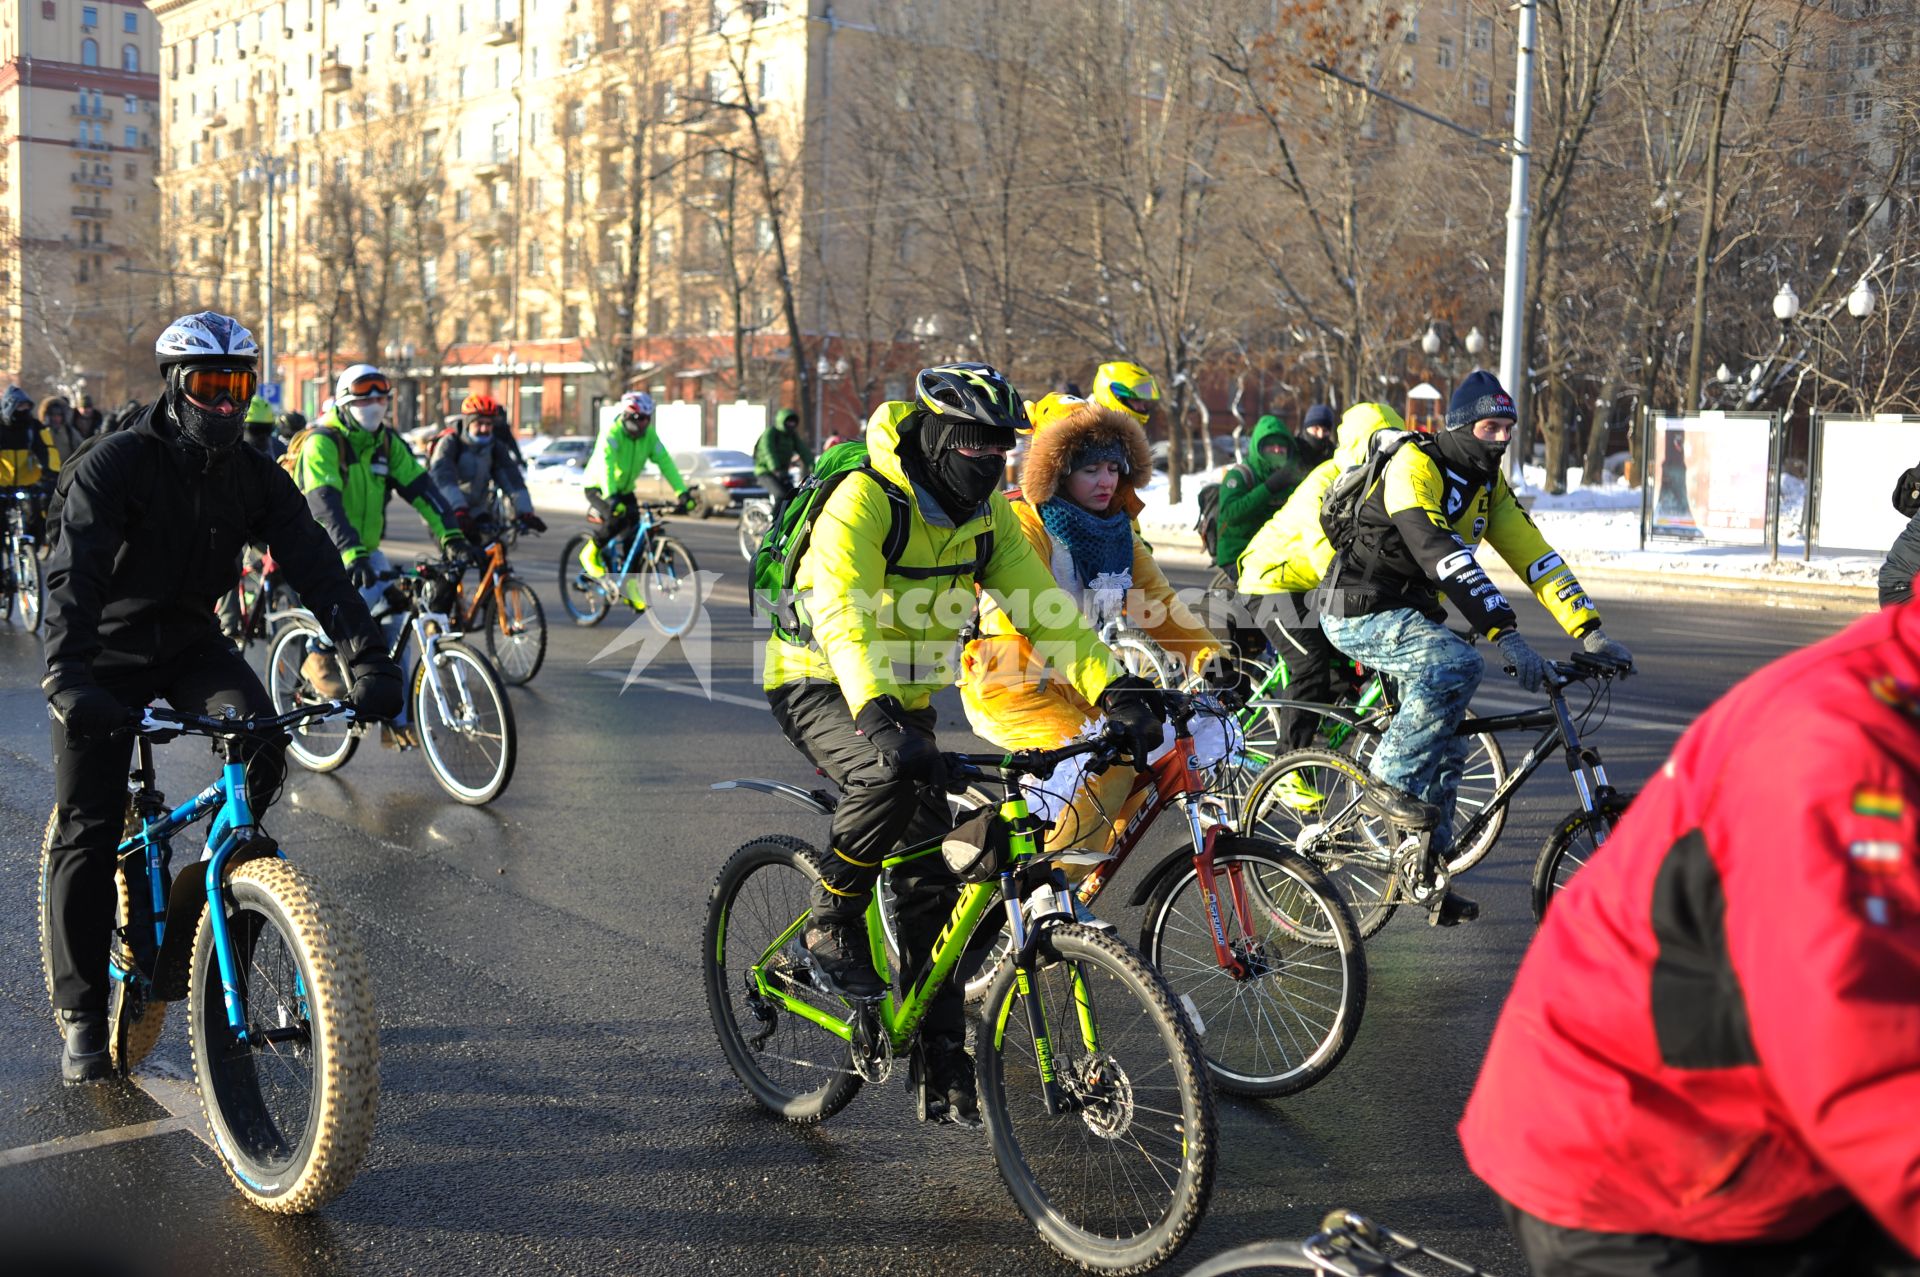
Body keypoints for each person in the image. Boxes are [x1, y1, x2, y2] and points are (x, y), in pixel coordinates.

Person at [1461, 600, 1920, 1276]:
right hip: (1641, 1159)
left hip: (1765, 1135)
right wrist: (1504, 629)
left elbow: (1528, 546)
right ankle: (1407, 814)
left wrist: (1585, 625)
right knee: (1436, 673)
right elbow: (1856, 1045)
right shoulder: (1843, 744)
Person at [762, 363, 1163, 1125]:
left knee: (930, 878)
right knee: (889, 778)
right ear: (942, 435)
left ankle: (941, 1053)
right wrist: (875, 711)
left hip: (901, 694)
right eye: (976, 445)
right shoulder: (867, 498)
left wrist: (1115, 688)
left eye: (1001, 448)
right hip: (820, 676)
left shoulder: (985, 518)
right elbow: (840, 609)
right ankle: (829, 918)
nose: (990, 460)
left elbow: (1047, 612)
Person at [40, 311, 401, 1083]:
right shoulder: (117, 465)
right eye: (211, 385)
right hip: (103, 652)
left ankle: (201, 887)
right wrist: (69, 676)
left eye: (240, 385)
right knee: (88, 824)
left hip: (190, 643)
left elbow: (318, 567)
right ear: (176, 386)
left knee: (265, 740)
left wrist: (369, 656)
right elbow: (73, 578)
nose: (228, 403)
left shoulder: (255, 475)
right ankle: (79, 1012)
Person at [1318, 371, 1632, 923]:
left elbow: (1536, 557)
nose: (1500, 440)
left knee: (1453, 741)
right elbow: (1444, 555)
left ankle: (1423, 872)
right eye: (1490, 428)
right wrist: (1505, 634)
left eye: (1509, 429)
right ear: (1461, 426)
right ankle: (1386, 785)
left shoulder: (1488, 486)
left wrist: (1590, 629)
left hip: (1411, 610)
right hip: (1357, 608)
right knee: (1457, 664)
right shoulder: (1415, 467)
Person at [962, 393, 1223, 862]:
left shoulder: (1116, 530)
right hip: (1010, 684)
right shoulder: (1025, 523)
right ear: (1057, 472)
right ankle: (1054, 902)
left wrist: (1210, 659)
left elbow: (1158, 605)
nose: (1107, 481)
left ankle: (1082, 867)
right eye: (1090, 470)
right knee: (1108, 768)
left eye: (1114, 468)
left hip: (1081, 681)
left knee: (1147, 760)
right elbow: (1031, 621)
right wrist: (1112, 684)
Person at [288, 363, 468, 746]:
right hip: (319, 546)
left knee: (398, 613)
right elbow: (323, 503)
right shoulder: (325, 441)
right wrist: (351, 553)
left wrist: (452, 536)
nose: (374, 405)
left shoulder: (387, 443)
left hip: (365, 550)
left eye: (381, 398)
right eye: (363, 398)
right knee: (356, 597)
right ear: (343, 401)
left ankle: (395, 717)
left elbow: (423, 490)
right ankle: (318, 651)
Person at [1237, 403, 1406, 761]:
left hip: (1307, 584)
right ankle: (1287, 764)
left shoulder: (1379, 485)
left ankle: (1316, 719)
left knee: (1350, 659)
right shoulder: (1326, 483)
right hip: (1271, 581)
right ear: (1365, 446)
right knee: (1310, 666)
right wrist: (1365, 597)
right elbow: (1322, 553)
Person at [578, 390, 697, 610]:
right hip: (599, 486)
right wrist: (611, 495)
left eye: (647, 419)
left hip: (624, 489)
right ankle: (589, 552)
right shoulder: (612, 433)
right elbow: (606, 464)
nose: (644, 424)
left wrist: (681, 491)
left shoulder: (648, 435)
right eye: (640, 419)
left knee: (635, 539)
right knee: (616, 519)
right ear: (628, 416)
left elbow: (665, 462)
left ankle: (630, 588)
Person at [428, 393, 545, 542]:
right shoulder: (449, 443)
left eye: (488, 424)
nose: (484, 429)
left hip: (477, 510)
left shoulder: (495, 446)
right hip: (446, 510)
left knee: (493, 550)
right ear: (467, 423)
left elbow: (512, 479)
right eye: (479, 423)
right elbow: (443, 478)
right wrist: (459, 510)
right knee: (459, 554)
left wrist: (526, 512)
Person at [1213, 413, 1302, 575]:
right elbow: (1230, 514)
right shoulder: (1240, 475)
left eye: (1282, 446)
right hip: (1239, 553)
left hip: (1274, 553)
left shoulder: (1289, 476)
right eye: (1270, 446)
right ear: (1258, 447)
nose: (1276, 450)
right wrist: (1269, 488)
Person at [0, 386, 58, 539]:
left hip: (28, 482)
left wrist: (50, 474)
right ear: (9, 406)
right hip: (2, 483)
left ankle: (32, 551)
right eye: (20, 406)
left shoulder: (33, 427)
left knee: (36, 521)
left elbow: (47, 450)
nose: (24, 410)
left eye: (26, 407)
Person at [752, 407, 813, 527]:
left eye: (793, 422)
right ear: (781, 421)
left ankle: (785, 522)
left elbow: (804, 452)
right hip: (765, 472)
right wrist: (775, 468)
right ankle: (773, 524)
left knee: (794, 496)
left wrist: (816, 468)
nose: (791, 424)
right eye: (788, 421)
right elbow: (768, 451)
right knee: (780, 495)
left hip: (782, 472)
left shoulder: (792, 436)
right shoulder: (771, 432)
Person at [1090, 359, 1162, 427]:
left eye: (1143, 401)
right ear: (1117, 397)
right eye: (1136, 400)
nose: (1142, 408)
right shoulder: (1096, 437)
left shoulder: (1124, 434)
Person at [40, 395, 84, 466]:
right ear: (47, 416)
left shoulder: (69, 431)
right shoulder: (42, 432)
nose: (56, 418)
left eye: (59, 415)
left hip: (66, 470)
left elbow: (82, 447)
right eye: (53, 415)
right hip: (48, 472)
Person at [1296, 402, 1337, 469]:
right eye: (1316, 429)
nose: (1320, 435)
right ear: (1306, 428)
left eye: (1325, 430)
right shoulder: (1294, 450)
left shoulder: (1334, 455)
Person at [242, 395, 283, 460]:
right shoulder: (226, 457)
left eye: (268, 429)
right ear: (240, 428)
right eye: (256, 429)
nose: (263, 436)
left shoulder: (279, 450)